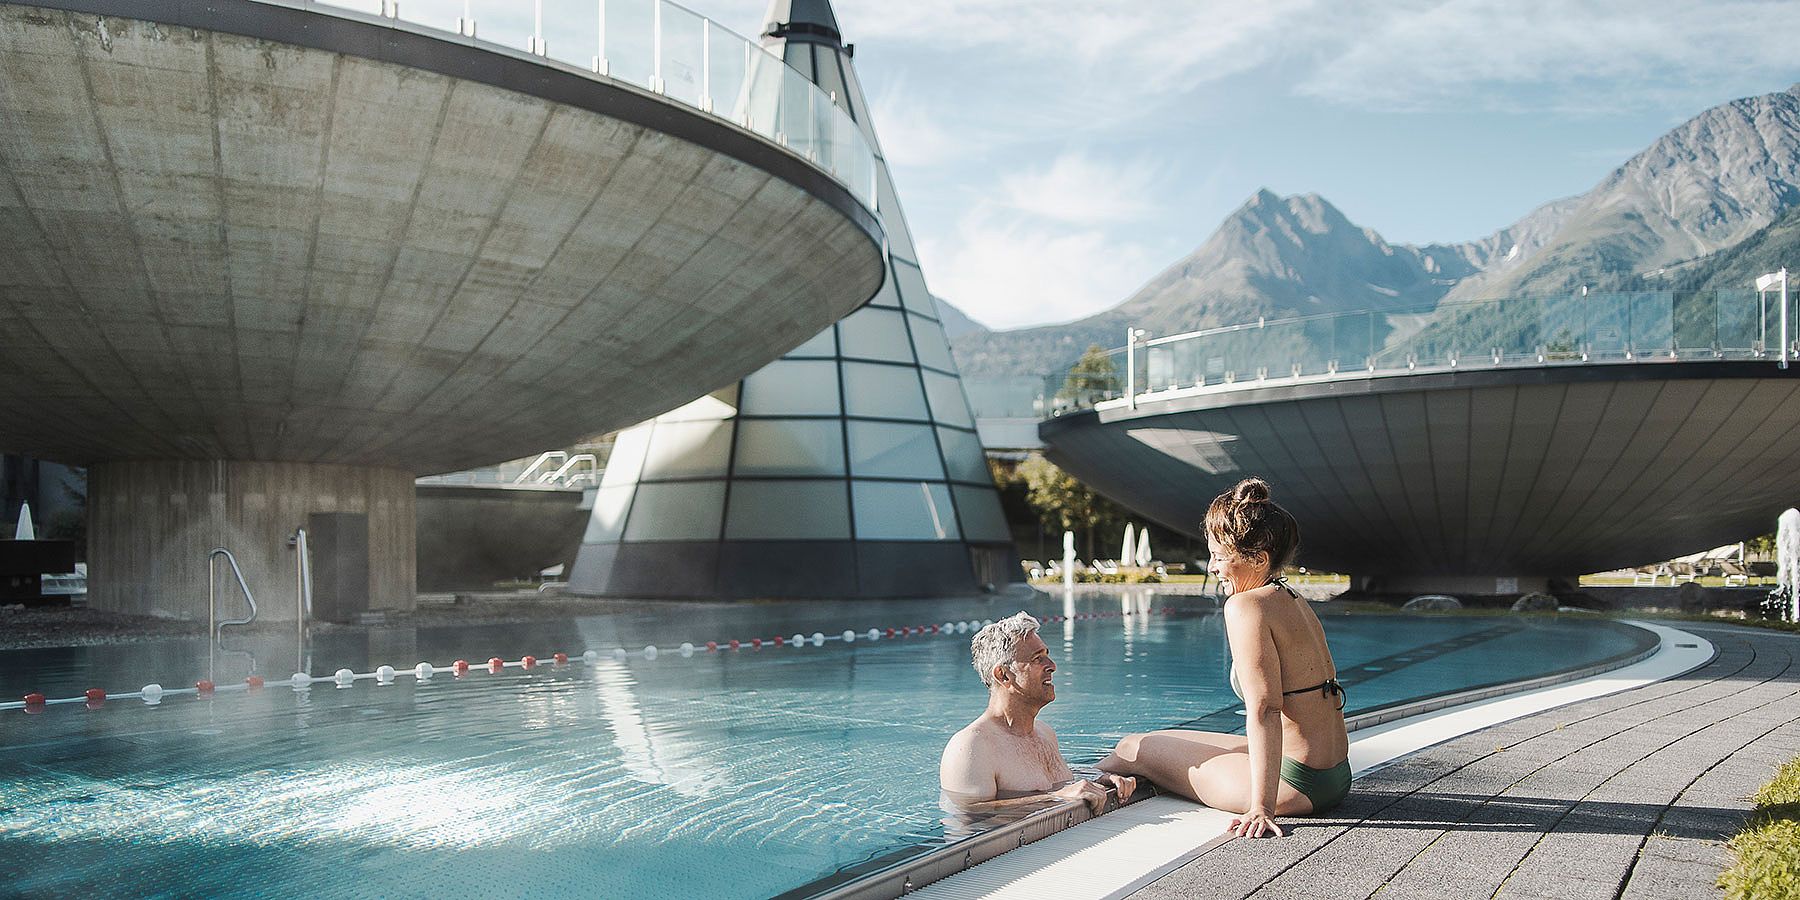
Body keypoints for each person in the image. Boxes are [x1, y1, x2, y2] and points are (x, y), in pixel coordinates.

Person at [1098, 477, 1349, 838]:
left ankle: (1069, 795)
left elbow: (1265, 708)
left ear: (1259, 559)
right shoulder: (1291, 598)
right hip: (1335, 774)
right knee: (1156, 738)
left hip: (1295, 787)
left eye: (1218, 557)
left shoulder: (1246, 606)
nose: (1212, 568)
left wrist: (1260, 808)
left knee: (1131, 748)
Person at [940, 612, 1136, 815]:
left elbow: (1060, 784)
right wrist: (1055, 797)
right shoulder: (971, 746)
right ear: (1003, 675)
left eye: (1047, 656)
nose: (1052, 666)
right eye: (1037, 659)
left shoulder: (1045, 733)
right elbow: (968, 812)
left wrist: (1100, 778)